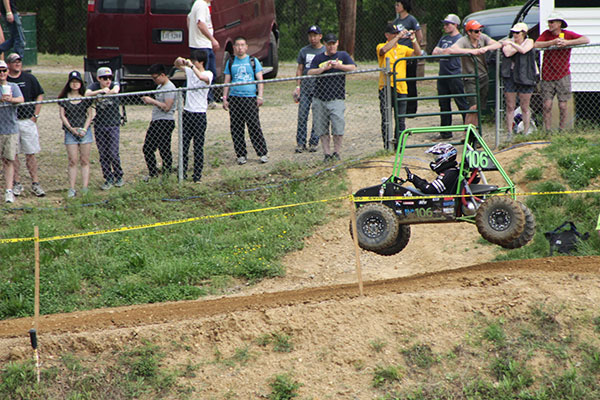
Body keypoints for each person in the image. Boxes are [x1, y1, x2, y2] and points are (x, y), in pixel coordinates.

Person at [534, 12, 590, 131]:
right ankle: (547, 130)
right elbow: (536, 44)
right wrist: (552, 42)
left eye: (552, 22)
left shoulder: (567, 34)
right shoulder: (546, 34)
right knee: (547, 104)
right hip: (547, 74)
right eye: (549, 22)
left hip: (563, 74)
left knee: (563, 105)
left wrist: (567, 43)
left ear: (559, 23)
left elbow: (585, 39)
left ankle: (562, 129)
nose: (550, 24)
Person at [308, 33, 357, 161]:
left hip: (337, 98)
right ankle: (327, 154)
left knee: (338, 127)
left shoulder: (343, 56)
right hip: (320, 98)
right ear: (325, 44)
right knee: (322, 129)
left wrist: (339, 66)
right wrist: (322, 69)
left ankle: (336, 152)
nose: (331, 46)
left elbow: (353, 68)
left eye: (333, 44)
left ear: (337, 43)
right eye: (329, 44)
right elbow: (310, 72)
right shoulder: (318, 58)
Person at [445, 20, 501, 129]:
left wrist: (486, 48)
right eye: (476, 31)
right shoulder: (463, 41)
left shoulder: (483, 38)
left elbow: (498, 44)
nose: (479, 33)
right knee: (473, 107)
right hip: (470, 78)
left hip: (483, 76)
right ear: (469, 32)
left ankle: (474, 131)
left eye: (480, 30)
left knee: (479, 108)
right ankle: (467, 132)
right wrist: (470, 51)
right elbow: (451, 49)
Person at [222, 36, 269, 165]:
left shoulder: (253, 61)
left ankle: (262, 152)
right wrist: (225, 98)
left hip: (250, 98)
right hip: (235, 98)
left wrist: (260, 96)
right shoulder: (231, 62)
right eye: (238, 45)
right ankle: (241, 154)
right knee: (236, 127)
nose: (240, 48)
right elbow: (227, 81)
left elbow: (260, 80)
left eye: (242, 45)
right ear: (234, 48)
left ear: (246, 47)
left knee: (254, 125)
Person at [6, 52, 45, 197]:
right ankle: (16, 183)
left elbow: (39, 94)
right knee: (13, 154)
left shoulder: (29, 78)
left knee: (30, 153)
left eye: (19, 61)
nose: (17, 63)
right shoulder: (5, 80)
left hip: (27, 121)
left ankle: (35, 183)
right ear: (8, 64)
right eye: (14, 61)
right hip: (10, 122)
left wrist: (35, 115)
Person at [377, 23, 421, 148]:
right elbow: (383, 51)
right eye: (393, 34)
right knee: (386, 118)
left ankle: (399, 146)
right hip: (385, 87)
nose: (396, 35)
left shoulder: (403, 48)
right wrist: (398, 37)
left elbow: (418, 54)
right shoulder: (381, 45)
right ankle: (387, 146)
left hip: (401, 87)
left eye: (397, 33)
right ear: (387, 35)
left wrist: (413, 39)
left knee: (400, 119)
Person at [174, 50, 212, 182]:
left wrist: (191, 66)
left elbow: (202, 78)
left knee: (198, 147)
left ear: (201, 62)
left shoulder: (208, 73)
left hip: (200, 114)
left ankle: (197, 175)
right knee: (184, 145)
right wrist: (180, 60)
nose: (193, 63)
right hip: (188, 112)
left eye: (195, 61)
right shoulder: (190, 71)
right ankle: (182, 173)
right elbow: (177, 65)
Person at [85, 66, 124, 190]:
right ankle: (108, 178)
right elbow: (87, 94)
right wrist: (100, 91)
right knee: (103, 153)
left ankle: (119, 175)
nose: (108, 80)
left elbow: (116, 90)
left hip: (113, 124)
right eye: (104, 78)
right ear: (98, 78)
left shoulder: (114, 84)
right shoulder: (95, 86)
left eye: (109, 78)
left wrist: (106, 92)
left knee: (113, 152)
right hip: (100, 125)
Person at [58, 71, 94, 198]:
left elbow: (90, 115)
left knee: (85, 160)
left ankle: (85, 187)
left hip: (85, 132)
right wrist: (71, 129)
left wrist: (84, 129)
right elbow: (62, 115)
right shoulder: (64, 99)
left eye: (77, 82)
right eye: (72, 82)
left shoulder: (85, 98)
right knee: (73, 160)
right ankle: (72, 188)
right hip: (70, 132)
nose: (75, 84)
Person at [432, 14, 469, 139]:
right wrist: (444, 51)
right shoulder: (444, 38)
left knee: (461, 103)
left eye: (448, 24)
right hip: (443, 75)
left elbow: (448, 52)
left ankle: (468, 131)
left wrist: (443, 51)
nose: (445, 26)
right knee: (444, 104)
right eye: (444, 24)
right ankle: (445, 132)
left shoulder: (460, 39)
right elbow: (434, 52)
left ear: (455, 25)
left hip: (455, 74)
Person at [500, 23, 537, 137]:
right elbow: (507, 52)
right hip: (510, 76)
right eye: (513, 32)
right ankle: (509, 133)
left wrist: (512, 44)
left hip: (525, 76)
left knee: (525, 106)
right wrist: (515, 45)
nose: (515, 35)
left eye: (517, 32)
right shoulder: (509, 41)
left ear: (524, 33)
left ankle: (526, 132)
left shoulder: (529, 41)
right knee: (510, 106)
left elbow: (524, 50)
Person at [140, 64, 176, 180]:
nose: (154, 80)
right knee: (148, 148)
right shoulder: (160, 87)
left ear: (163, 75)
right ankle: (153, 173)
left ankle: (166, 174)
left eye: (155, 78)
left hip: (165, 121)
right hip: (156, 120)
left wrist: (152, 101)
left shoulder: (170, 87)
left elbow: (167, 107)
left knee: (164, 149)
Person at [293, 25, 325, 154]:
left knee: (317, 116)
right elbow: (300, 69)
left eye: (315, 35)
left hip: (319, 88)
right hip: (305, 88)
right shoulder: (304, 51)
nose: (313, 38)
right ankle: (301, 143)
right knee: (302, 116)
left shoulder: (324, 51)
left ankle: (314, 142)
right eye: (310, 36)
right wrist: (298, 86)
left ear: (320, 36)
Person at [392, 0, 422, 116]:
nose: (396, 7)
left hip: (409, 54)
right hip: (399, 56)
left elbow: (419, 36)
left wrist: (415, 47)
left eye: (398, 5)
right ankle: (400, 106)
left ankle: (411, 109)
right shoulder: (396, 21)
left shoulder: (411, 20)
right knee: (400, 81)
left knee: (410, 81)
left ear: (404, 6)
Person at [0, 59, 23, 203]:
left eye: (4, 70)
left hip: (10, 129)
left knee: (9, 160)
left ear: (8, 71)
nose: (2, 73)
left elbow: (21, 99)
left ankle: (9, 190)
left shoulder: (13, 86)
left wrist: (11, 99)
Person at [187, 0, 218, 107]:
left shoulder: (200, 4)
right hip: (201, 46)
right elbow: (200, 23)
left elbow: (188, 18)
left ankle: (209, 98)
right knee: (202, 73)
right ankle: (206, 99)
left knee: (212, 73)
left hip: (204, 44)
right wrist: (212, 39)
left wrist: (192, 34)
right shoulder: (201, 4)